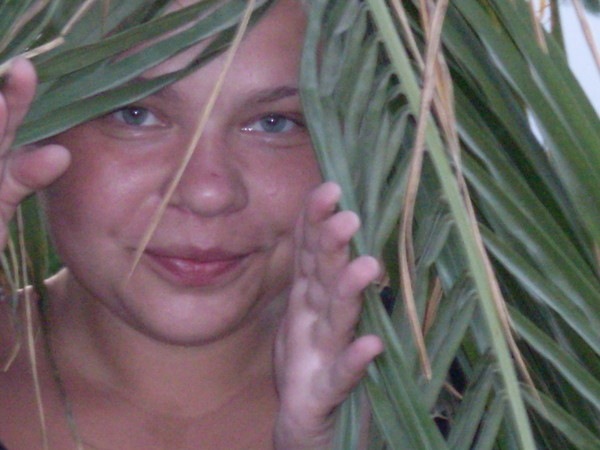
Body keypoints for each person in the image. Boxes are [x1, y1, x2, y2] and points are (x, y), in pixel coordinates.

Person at [0, 1, 383, 448]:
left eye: (274, 123)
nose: (208, 194)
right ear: (35, 125)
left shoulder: (446, 393)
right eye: (135, 114)